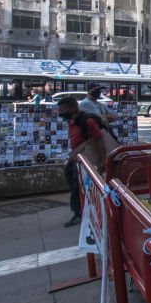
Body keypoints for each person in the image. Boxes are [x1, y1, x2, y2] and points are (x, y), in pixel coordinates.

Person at [57, 96, 108, 227]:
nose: (60, 113)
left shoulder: (87, 121)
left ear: (72, 108)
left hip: (86, 158)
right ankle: (82, 209)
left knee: (77, 185)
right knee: (71, 177)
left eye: (62, 110)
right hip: (77, 156)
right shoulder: (72, 120)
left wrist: (102, 162)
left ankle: (79, 213)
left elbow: (100, 140)